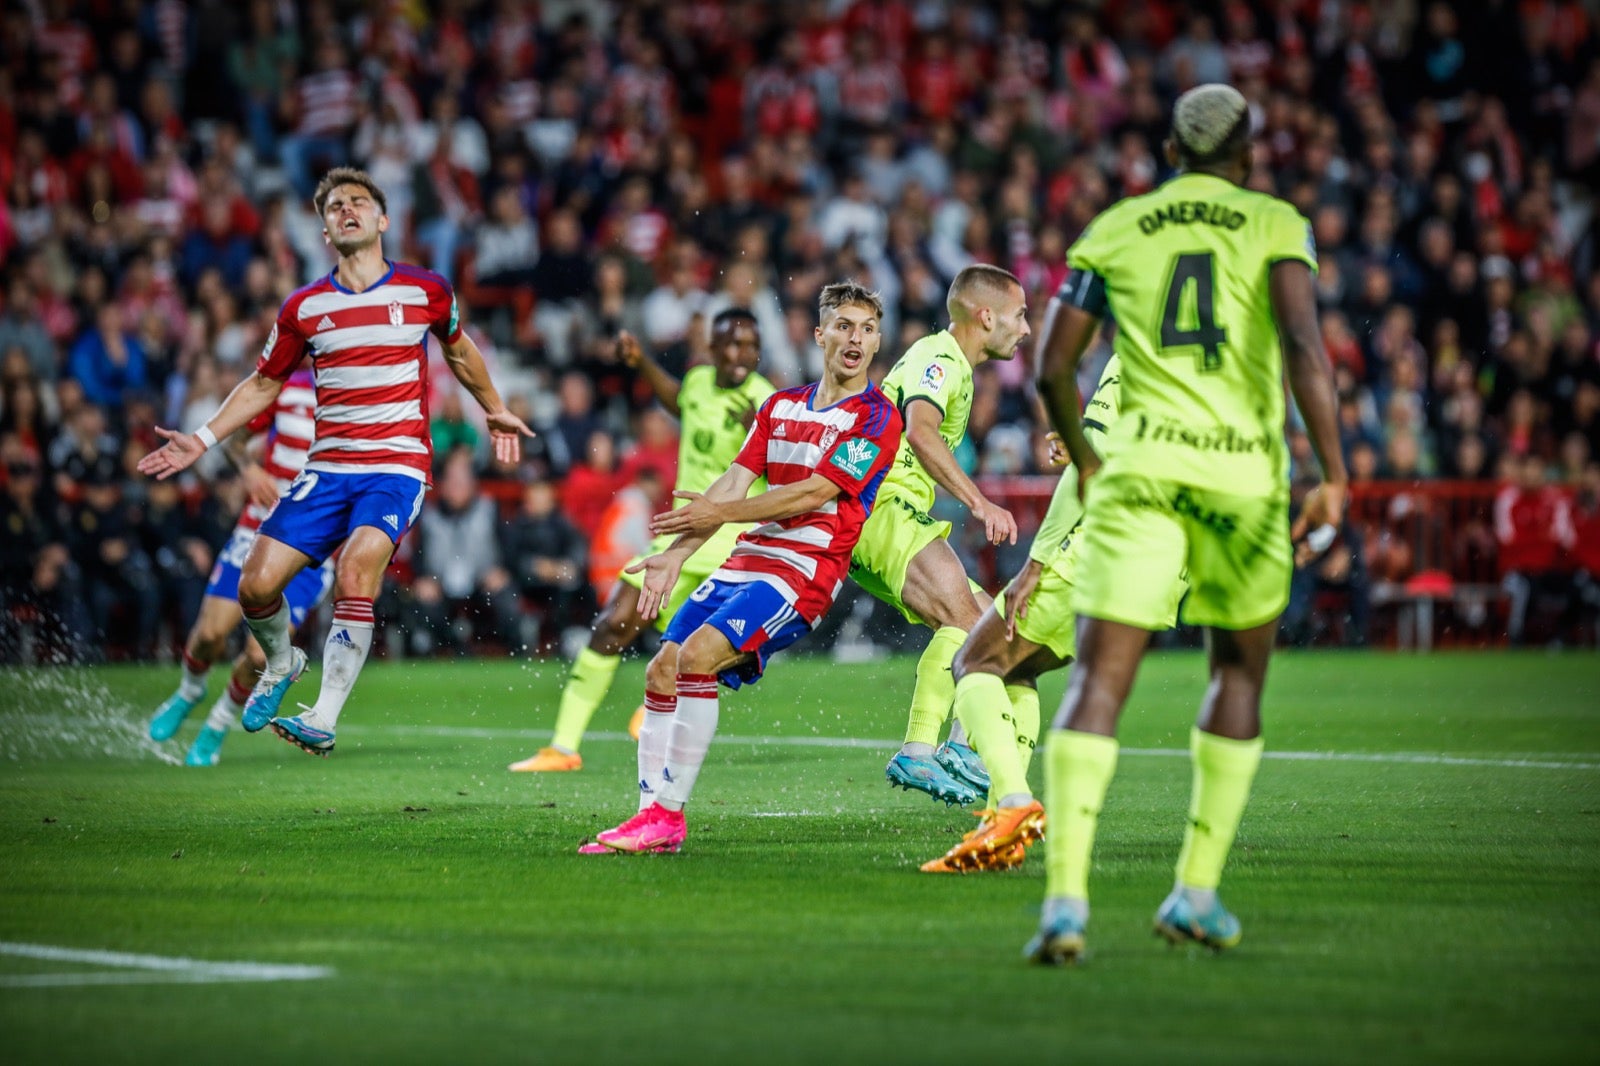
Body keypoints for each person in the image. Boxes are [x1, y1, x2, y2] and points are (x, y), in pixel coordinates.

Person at [1023, 85, 1346, 963]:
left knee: (1097, 681)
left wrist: (1089, 463)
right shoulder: (1275, 224)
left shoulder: (1117, 228)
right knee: (1237, 674)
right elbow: (1307, 351)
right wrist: (1335, 472)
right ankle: (1194, 891)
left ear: (1169, 151)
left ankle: (1064, 905)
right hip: (1241, 480)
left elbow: (1053, 366)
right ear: (1247, 156)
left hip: (1138, 476)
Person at [137, 166, 533, 757]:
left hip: (395, 467)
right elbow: (263, 384)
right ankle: (282, 661)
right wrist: (203, 437)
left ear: (383, 219)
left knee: (356, 571)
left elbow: (460, 349)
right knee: (255, 587)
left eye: (358, 201)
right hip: (326, 470)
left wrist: (494, 407)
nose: (346, 210)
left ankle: (323, 715)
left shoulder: (425, 290)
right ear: (325, 230)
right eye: (334, 206)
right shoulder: (304, 307)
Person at [583, 281, 901, 854]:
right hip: (744, 560)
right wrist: (674, 554)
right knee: (662, 669)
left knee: (697, 659)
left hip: (801, 574)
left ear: (878, 342)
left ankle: (669, 819)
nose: (856, 339)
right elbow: (730, 482)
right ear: (820, 333)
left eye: (868, 329)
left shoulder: (878, 418)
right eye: (845, 326)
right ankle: (648, 818)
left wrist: (721, 511)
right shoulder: (778, 407)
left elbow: (812, 493)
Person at [917, 361, 1188, 873]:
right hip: (1169, 563)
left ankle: (1013, 807)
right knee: (1018, 666)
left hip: (1106, 546)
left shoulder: (1137, 352)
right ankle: (1003, 823)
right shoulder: (1210, 366)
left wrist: (1034, 566)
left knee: (974, 662)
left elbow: (1092, 467)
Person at [509, 310, 773, 772]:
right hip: (679, 539)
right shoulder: (698, 382)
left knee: (707, 651)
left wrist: (762, 433)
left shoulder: (767, 403)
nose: (738, 355)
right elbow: (677, 399)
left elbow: (789, 472)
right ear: (711, 349)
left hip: (731, 546)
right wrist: (642, 362)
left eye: (748, 345)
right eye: (729, 344)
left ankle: (657, 710)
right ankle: (563, 747)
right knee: (615, 622)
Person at [849, 264, 1028, 807]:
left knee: (990, 624)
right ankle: (928, 751)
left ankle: (958, 747)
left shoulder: (950, 363)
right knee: (969, 622)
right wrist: (979, 501)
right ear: (986, 315)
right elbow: (919, 429)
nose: (1026, 329)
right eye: (1020, 316)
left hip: (885, 511)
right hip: (885, 506)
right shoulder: (940, 357)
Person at [146, 367, 335, 766]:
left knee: (260, 655)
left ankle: (217, 724)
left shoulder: (362, 400)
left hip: (316, 545)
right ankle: (189, 691)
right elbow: (238, 439)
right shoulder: (290, 387)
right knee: (210, 634)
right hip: (259, 528)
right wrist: (249, 469)